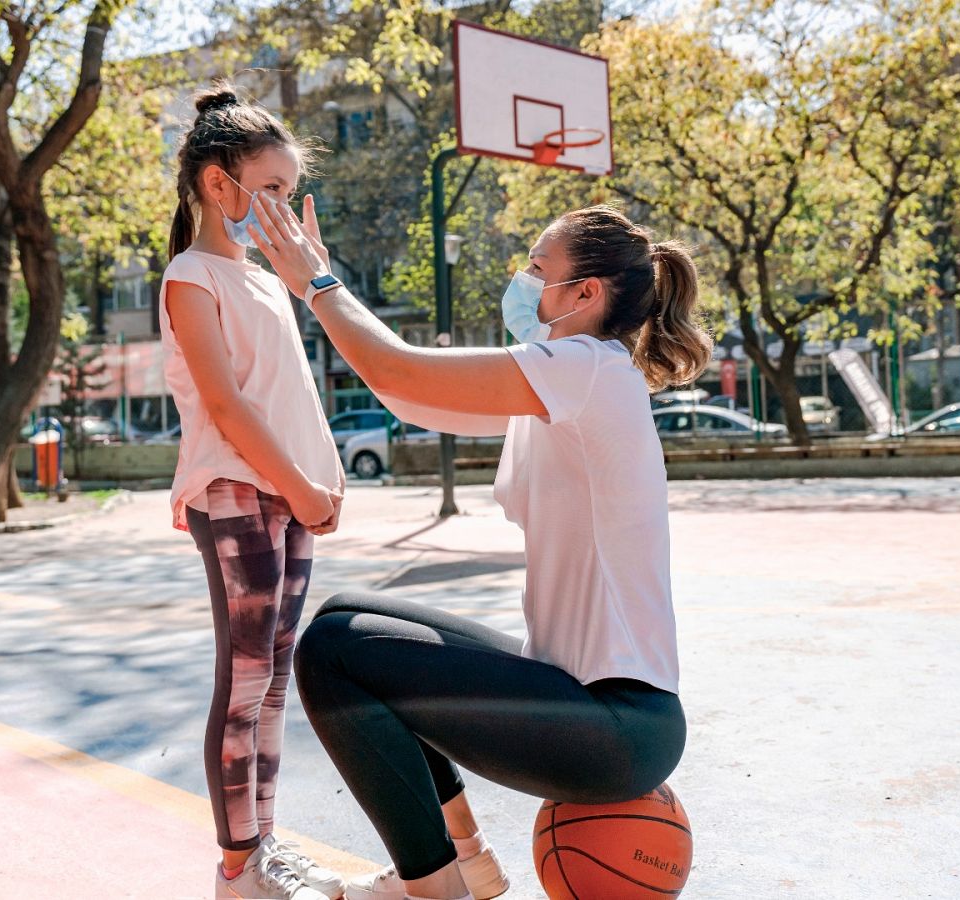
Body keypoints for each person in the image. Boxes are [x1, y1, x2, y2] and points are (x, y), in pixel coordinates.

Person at [246, 200, 709, 900]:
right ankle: (466, 859)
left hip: (615, 726)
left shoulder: (587, 369)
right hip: (585, 705)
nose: (521, 282)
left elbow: (398, 371)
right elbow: (407, 395)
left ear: (585, 293)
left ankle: (434, 890)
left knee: (334, 654)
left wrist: (319, 284)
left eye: (536, 269)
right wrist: (321, 289)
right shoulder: (565, 381)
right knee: (348, 618)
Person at [159, 83, 347, 900]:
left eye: (286, 191)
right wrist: (297, 483)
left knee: (274, 677)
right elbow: (228, 405)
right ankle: (238, 864)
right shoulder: (189, 276)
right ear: (216, 183)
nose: (277, 205)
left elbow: (290, 390)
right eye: (267, 188)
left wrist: (321, 477)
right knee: (243, 679)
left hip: (289, 491)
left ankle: (261, 849)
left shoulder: (269, 284)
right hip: (238, 489)